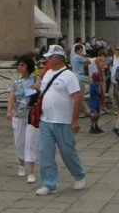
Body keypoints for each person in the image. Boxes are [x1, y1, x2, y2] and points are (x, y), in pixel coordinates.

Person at [35, 44, 86, 196]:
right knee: (45, 153)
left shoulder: (69, 76)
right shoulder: (48, 73)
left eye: (49, 58)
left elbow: (77, 97)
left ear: (58, 58)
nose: (47, 61)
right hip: (46, 119)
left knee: (67, 151)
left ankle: (79, 175)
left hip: (63, 120)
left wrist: (74, 120)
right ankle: (49, 184)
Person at [6, 54, 39, 182]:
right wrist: (9, 111)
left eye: (22, 65)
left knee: (30, 141)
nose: (20, 67)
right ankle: (21, 163)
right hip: (18, 114)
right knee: (19, 141)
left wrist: (38, 90)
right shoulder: (15, 81)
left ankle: (31, 171)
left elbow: (41, 95)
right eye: (19, 65)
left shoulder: (35, 80)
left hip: (31, 115)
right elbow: (11, 96)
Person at [71, 44, 90, 115]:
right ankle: (86, 110)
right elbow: (88, 61)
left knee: (78, 94)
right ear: (78, 51)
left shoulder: (73, 58)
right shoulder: (79, 57)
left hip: (75, 76)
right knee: (81, 94)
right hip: (80, 77)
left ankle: (81, 110)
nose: (82, 51)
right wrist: (83, 56)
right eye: (81, 50)